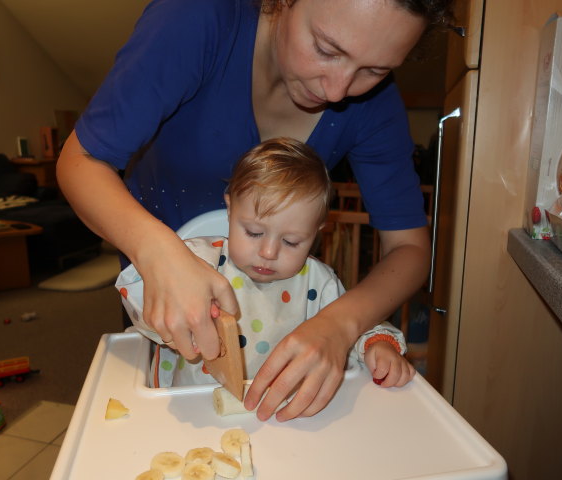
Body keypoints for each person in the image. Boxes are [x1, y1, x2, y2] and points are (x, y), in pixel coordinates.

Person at [56, 0, 453, 422]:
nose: (337, 91)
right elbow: (81, 162)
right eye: (326, 47)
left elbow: (408, 248)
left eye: (374, 70)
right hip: (159, 302)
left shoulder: (376, 105)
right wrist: (159, 254)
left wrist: (340, 325)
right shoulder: (194, 19)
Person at [116, 138, 415, 390]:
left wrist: (378, 346)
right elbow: (143, 298)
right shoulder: (196, 262)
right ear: (231, 209)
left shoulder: (319, 283)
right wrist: (169, 301)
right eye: (255, 232)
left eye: (291, 241)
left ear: (316, 233)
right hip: (196, 407)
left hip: (284, 413)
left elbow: (355, 326)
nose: (269, 252)